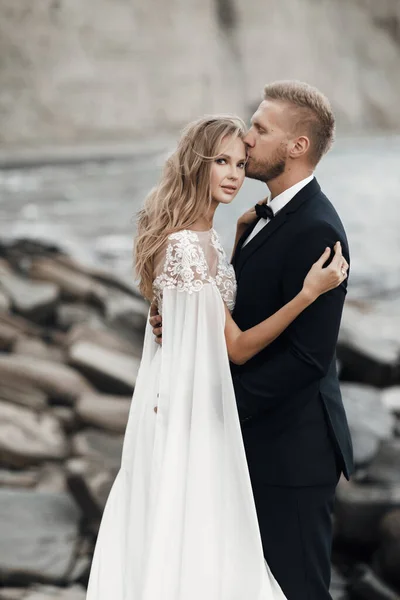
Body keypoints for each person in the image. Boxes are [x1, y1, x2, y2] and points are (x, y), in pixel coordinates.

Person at [86, 113, 348, 600]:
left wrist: (235, 242)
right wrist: (308, 293)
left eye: (240, 162)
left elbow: (210, 305)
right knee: (199, 538)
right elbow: (235, 345)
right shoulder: (187, 245)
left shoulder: (204, 238)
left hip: (185, 390)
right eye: (221, 161)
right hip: (186, 403)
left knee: (196, 533)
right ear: (196, 164)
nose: (233, 173)